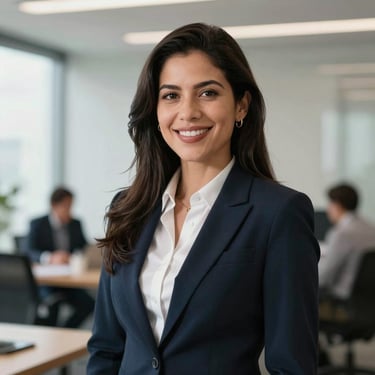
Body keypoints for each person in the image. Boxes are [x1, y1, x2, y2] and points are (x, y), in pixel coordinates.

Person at [87, 23, 320, 374]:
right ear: (155, 109)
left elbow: (293, 365)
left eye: (207, 93)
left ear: (241, 105)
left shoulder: (277, 214)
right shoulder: (127, 209)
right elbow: (106, 348)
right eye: (170, 95)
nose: (188, 112)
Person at [26, 186, 95, 328]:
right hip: (47, 283)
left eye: (71, 206)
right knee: (52, 306)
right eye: (66, 206)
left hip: (69, 281)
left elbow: (83, 248)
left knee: (90, 304)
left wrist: (74, 257)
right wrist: (49, 258)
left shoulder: (75, 223)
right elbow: (28, 251)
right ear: (53, 205)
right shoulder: (38, 224)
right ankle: (53, 335)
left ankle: (64, 330)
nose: (69, 210)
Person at [319, 183, 375, 299]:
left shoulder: (341, 234)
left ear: (337, 205)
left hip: (344, 297)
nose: (328, 209)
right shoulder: (371, 228)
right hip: (369, 299)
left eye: (330, 204)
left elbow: (323, 278)